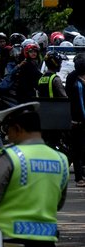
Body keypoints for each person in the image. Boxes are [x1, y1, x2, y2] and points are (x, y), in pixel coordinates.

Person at [0, 101, 69, 247]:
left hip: (8, 245)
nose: (8, 136)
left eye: (8, 130)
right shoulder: (61, 159)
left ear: (18, 128)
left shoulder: (11, 156)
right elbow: (58, 203)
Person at [64, 52, 85, 187]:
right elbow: (68, 98)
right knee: (76, 149)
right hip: (76, 120)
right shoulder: (72, 78)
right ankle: (79, 177)